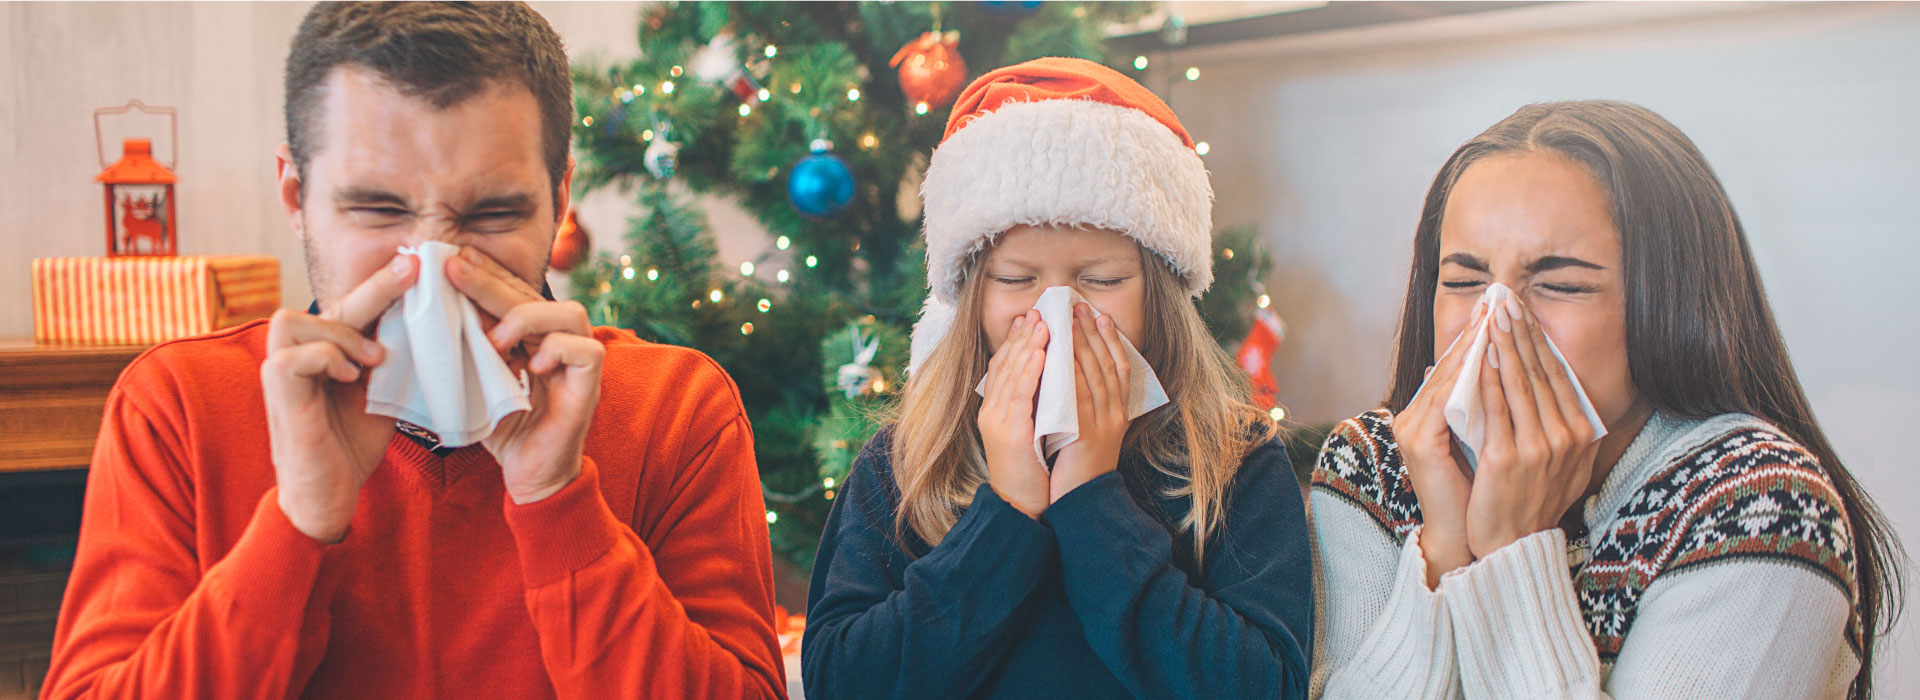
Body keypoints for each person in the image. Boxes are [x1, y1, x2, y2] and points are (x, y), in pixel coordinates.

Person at [39, 4, 785, 699]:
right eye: (377, 209)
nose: (434, 264)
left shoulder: (674, 408)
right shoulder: (179, 403)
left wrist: (557, 500)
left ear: (559, 200)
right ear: (297, 197)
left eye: (491, 213)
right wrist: (300, 520)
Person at [1308, 100, 1903, 699]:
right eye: (1464, 282)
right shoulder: (1373, 467)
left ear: (1668, 303)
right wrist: (1440, 550)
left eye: (1561, 285)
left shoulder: (1758, 502)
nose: (1495, 322)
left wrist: (1512, 549)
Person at [802, 57, 1313, 700]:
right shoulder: (907, 461)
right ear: (970, 298)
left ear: (1159, 294)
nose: (1058, 313)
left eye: (1101, 281)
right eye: (1016, 281)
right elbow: (843, 682)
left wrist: (1091, 499)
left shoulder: (1233, 459)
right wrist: (1007, 511)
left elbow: (1264, 685)